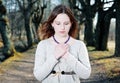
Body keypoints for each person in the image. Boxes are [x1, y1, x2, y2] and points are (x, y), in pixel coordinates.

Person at [33, 4, 91, 83]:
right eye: (58, 23)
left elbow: (86, 74)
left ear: (71, 24)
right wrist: (55, 56)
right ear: (52, 23)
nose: (62, 27)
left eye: (66, 23)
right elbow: (38, 75)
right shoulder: (43, 45)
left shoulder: (80, 45)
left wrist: (67, 56)